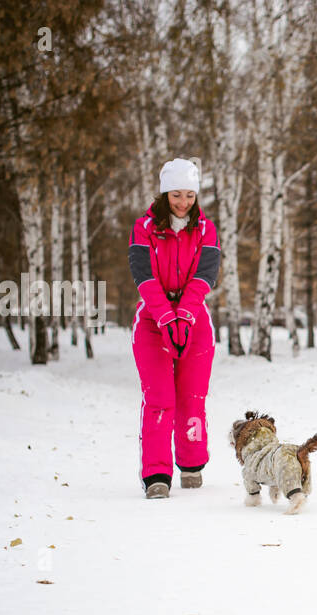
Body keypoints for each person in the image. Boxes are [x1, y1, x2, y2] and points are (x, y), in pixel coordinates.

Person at [128, 158, 220, 499]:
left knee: (192, 398)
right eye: (177, 195)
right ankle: (156, 474)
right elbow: (143, 275)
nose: (183, 203)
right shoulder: (144, 228)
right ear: (165, 193)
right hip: (154, 319)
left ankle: (192, 464)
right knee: (160, 399)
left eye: (190, 196)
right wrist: (166, 314)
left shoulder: (206, 230)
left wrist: (184, 312)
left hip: (194, 319)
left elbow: (205, 275)